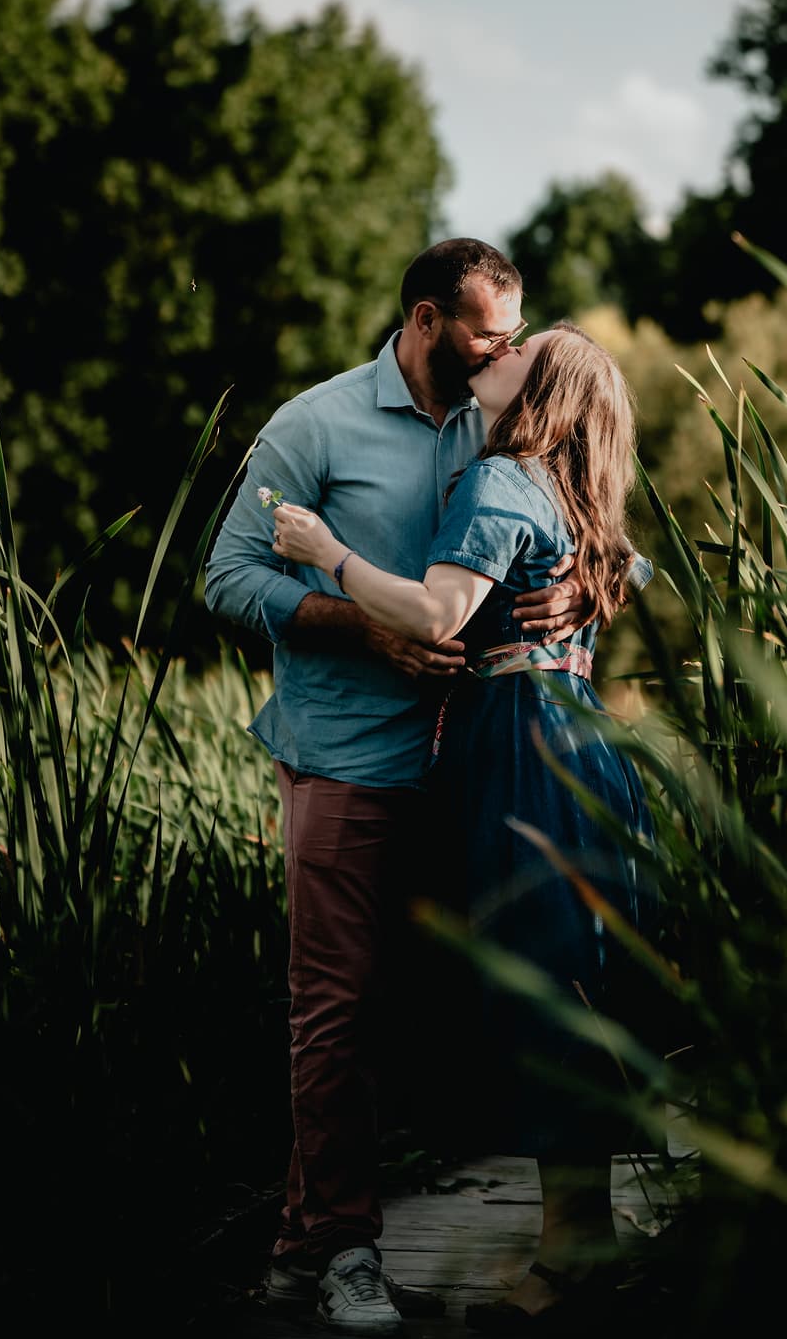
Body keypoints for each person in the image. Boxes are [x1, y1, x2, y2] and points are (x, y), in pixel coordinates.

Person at [204, 240, 586, 1333]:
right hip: (346, 755)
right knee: (336, 1010)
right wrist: (372, 630)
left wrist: (581, 588)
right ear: (424, 319)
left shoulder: (502, 418)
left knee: (428, 1010)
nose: (505, 349)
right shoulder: (314, 424)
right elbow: (225, 577)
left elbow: (576, 522)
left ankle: (304, 1248)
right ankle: (342, 1255)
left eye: (515, 333)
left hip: (474, 762)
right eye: (485, 332)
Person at [272, 321, 653, 1333]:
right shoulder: (567, 490)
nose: (501, 348)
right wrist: (594, 579)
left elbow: (437, 616)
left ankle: (570, 1254)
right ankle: (581, 1241)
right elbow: (637, 565)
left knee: (535, 995)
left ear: (548, 391)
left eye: (524, 348)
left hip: (518, 755)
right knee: (570, 985)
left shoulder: (501, 480)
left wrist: (325, 551)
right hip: (579, 750)